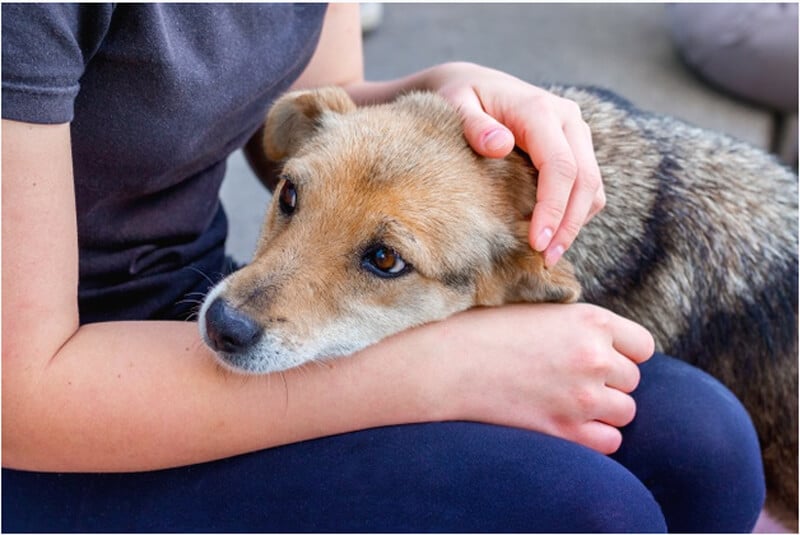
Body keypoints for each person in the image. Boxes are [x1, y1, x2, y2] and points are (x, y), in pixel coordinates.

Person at [2, 4, 765, 532]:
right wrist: (444, 369)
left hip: (176, 290)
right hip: (49, 402)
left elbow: (305, 114)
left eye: (383, 260)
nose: (244, 306)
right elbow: (17, 402)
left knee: (706, 449)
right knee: (592, 514)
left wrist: (444, 88)